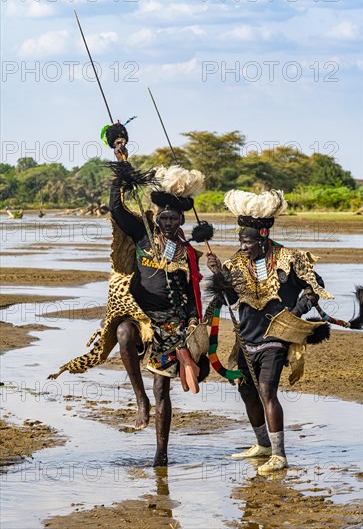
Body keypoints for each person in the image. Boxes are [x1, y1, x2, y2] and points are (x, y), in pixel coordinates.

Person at [49, 123, 209, 467]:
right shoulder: (142, 234)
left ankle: (161, 454)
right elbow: (117, 210)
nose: (167, 222)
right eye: (163, 216)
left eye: (174, 217)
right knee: (122, 333)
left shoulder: (188, 251)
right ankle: (140, 400)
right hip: (141, 317)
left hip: (174, 326)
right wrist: (121, 172)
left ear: (181, 219)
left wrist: (196, 328)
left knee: (164, 388)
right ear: (158, 216)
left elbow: (195, 291)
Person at [207, 189, 333, 474]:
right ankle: (262, 445)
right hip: (246, 338)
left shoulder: (289, 257)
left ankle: (280, 456)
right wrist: (216, 273)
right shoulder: (236, 263)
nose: (244, 246)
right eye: (241, 241)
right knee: (247, 391)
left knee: (267, 392)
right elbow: (227, 296)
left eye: (248, 241)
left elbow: (315, 287)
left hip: (276, 337)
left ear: (263, 238)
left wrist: (295, 313)